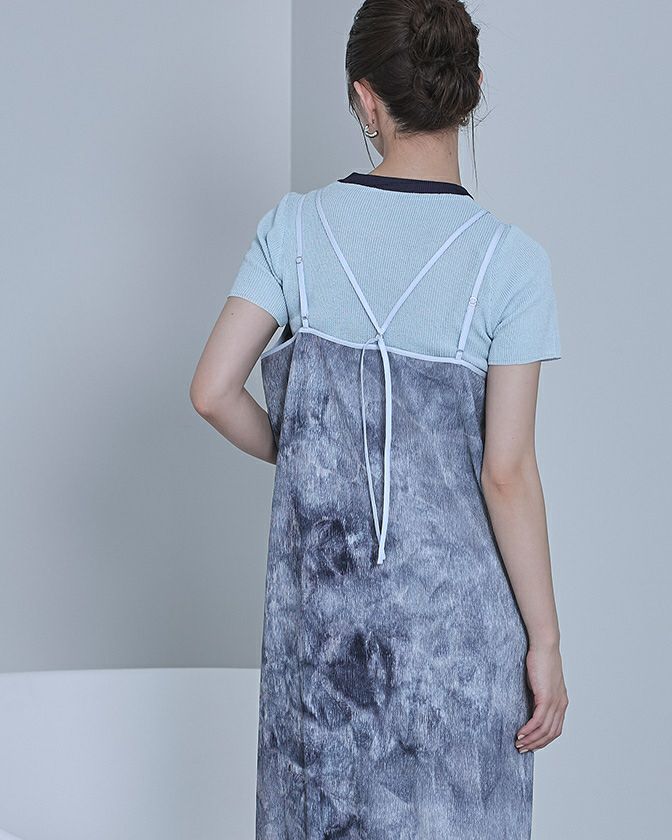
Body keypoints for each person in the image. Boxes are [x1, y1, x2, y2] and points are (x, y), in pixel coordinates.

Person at [190, 0, 569, 836]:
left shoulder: (295, 230)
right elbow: (506, 474)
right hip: (461, 652)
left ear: (366, 98)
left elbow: (213, 391)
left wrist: (311, 449)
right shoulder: (512, 264)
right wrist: (543, 642)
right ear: (471, 88)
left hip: (326, 652)